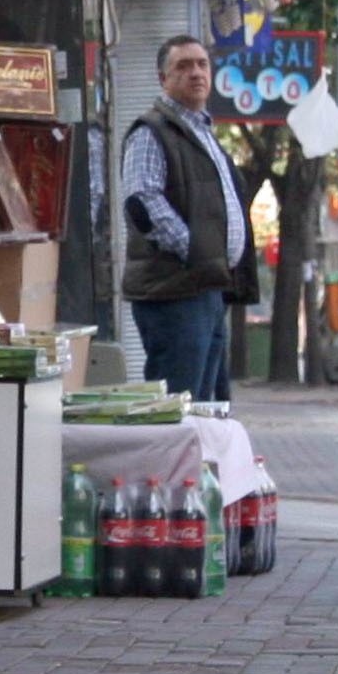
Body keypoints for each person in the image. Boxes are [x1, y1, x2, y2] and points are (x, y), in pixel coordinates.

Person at [119, 35, 248, 403]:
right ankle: (170, 465)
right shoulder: (152, 131)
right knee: (178, 406)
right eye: (183, 66)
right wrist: (194, 248)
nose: (196, 73)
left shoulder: (203, 132)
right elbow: (141, 201)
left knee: (206, 409)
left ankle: (198, 464)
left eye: (202, 64)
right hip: (174, 290)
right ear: (163, 79)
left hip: (207, 287)